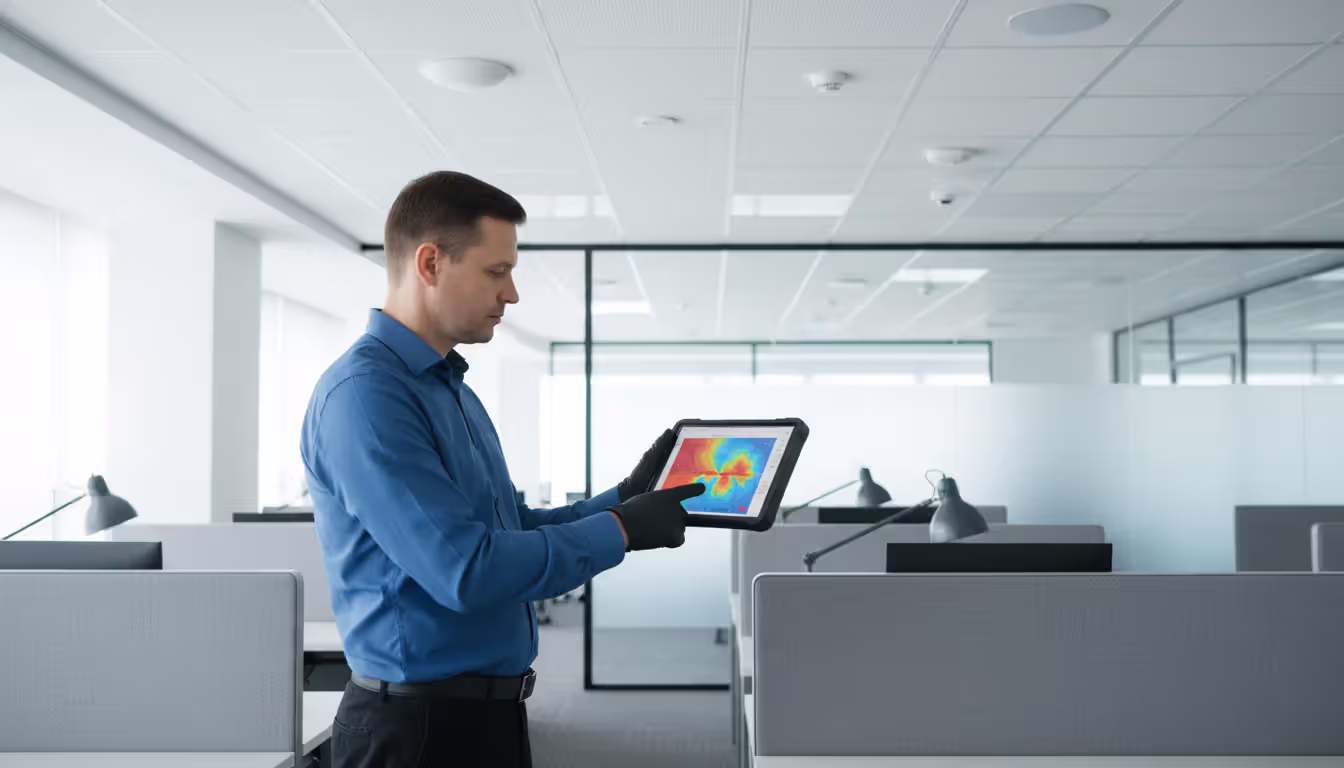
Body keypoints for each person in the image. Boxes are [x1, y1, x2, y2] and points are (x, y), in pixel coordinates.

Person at [300, 171, 704, 768]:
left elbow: (508, 530)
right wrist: (621, 530)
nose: (511, 294)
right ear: (431, 263)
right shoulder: (368, 396)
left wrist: (622, 499)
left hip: (485, 719)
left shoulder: (449, 387)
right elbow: (467, 569)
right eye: (497, 271)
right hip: (419, 733)